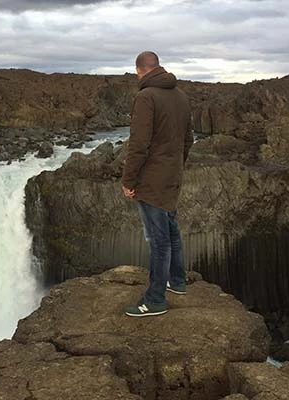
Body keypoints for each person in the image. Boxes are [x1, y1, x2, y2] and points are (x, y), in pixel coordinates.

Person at [121, 51, 194, 317]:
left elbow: (139, 145)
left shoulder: (146, 97)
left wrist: (128, 180)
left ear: (139, 70)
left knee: (158, 240)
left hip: (151, 181)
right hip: (172, 175)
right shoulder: (181, 96)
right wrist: (176, 165)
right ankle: (177, 282)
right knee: (172, 230)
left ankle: (154, 300)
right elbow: (189, 140)